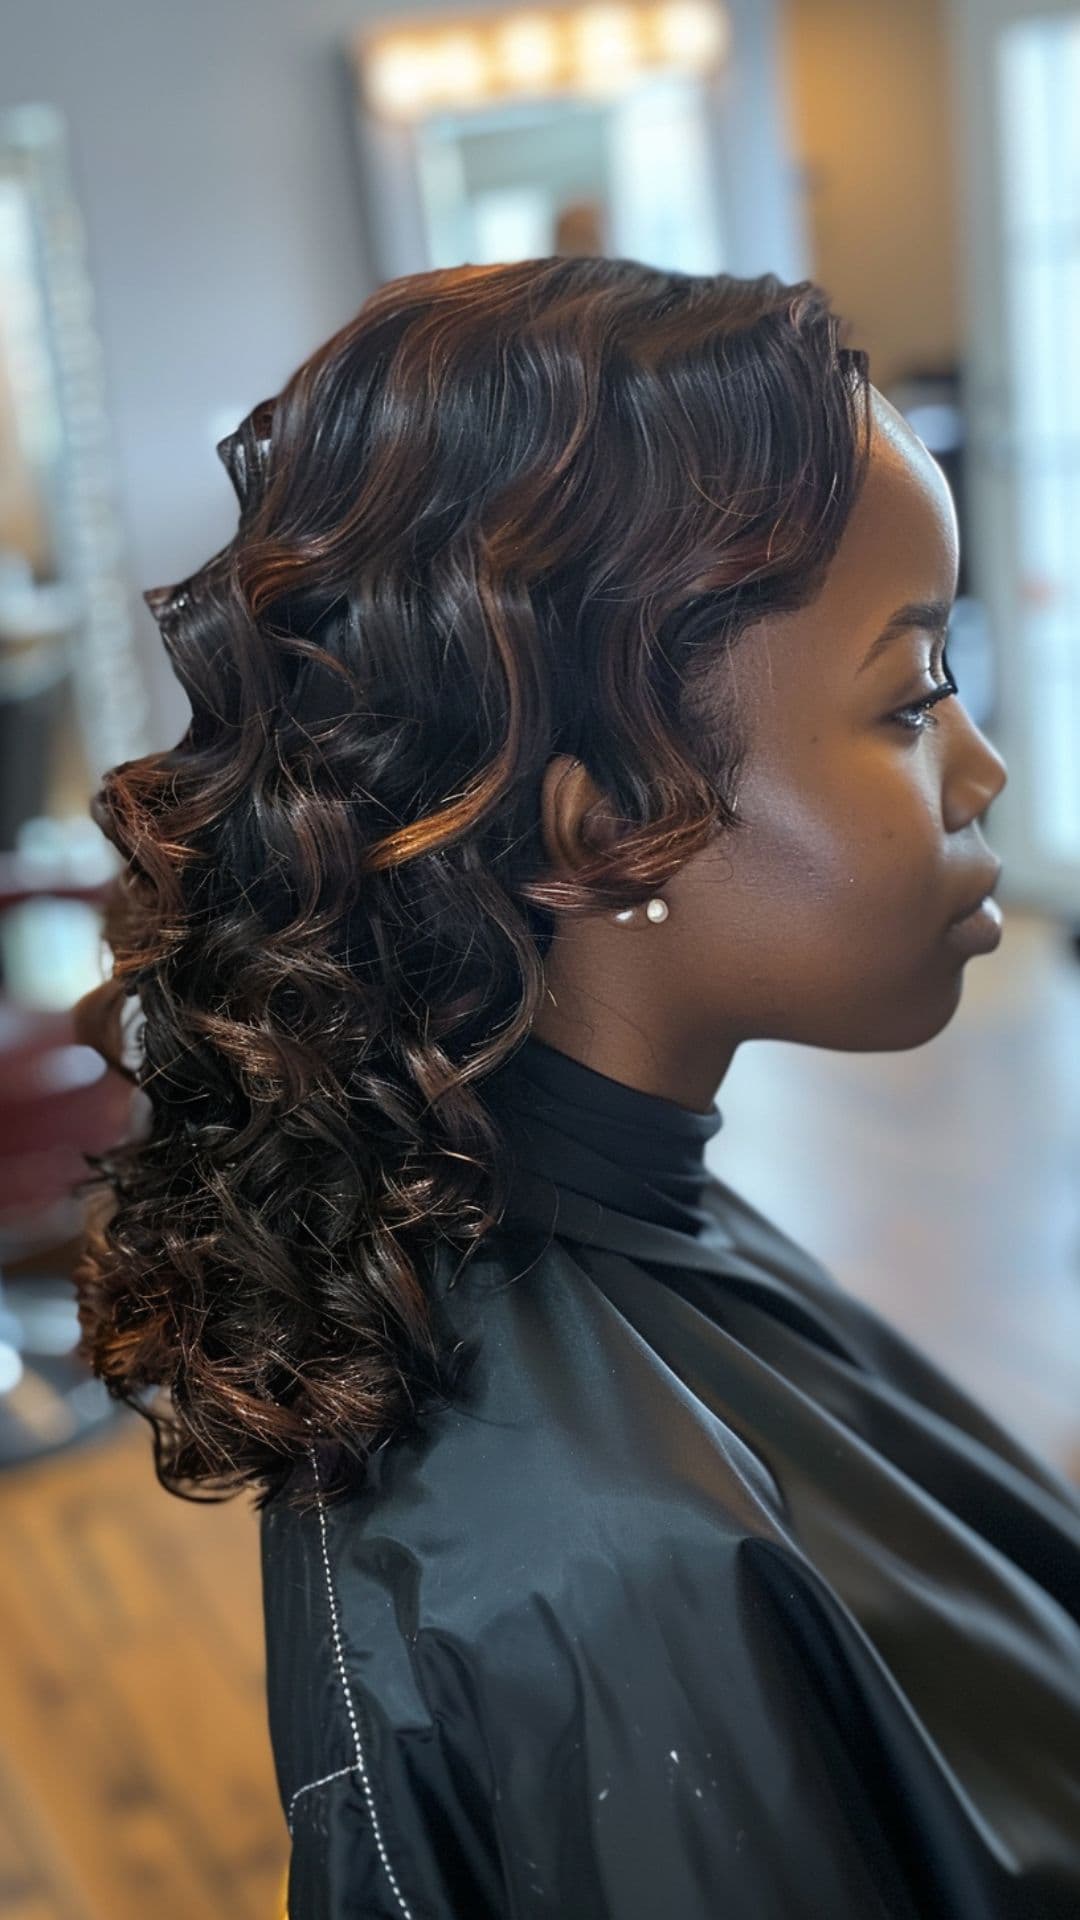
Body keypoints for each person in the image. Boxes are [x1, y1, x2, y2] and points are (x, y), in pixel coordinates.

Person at [75, 257, 1080, 1918]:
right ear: (601, 828)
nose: (980, 767)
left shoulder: (593, 1213)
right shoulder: (620, 1584)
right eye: (907, 696)